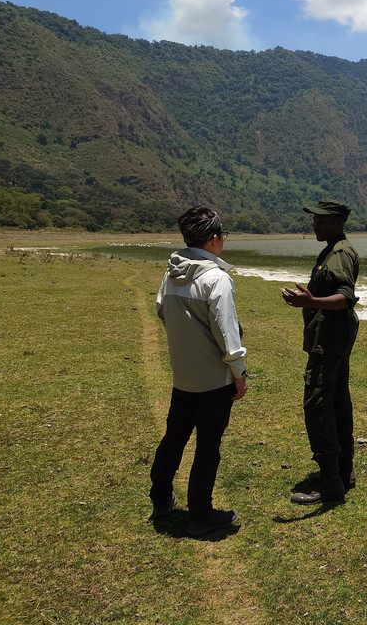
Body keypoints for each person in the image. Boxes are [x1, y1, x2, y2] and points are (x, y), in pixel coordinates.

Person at [149, 206, 247, 537]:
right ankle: (201, 515)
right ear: (215, 239)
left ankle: (161, 499)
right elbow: (227, 331)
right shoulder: (216, 278)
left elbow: (162, 310)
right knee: (208, 443)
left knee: (174, 436)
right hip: (214, 379)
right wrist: (239, 372)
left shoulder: (171, 273)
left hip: (183, 376)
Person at [281, 200, 359, 505]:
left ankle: (330, 482)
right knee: (337, 401)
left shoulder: (339, 253)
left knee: (316, 403)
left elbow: (345, 297)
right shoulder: (334, 249)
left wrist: (310, 302)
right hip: (333, 337)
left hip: (330, 339)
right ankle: (342, 470)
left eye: (322, 221)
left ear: (338, 222)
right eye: (314, 220)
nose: (315, 225)